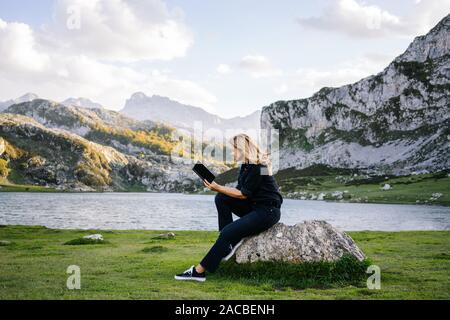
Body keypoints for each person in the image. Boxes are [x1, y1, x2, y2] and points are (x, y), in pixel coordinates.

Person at [175, 133, 283, 282]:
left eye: (234, 149)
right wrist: (218, 189)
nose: (232, 152)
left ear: (243, 149)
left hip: (267, 211)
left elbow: (243, 194)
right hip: (254, 207)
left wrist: (217, 186)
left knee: (227, 232)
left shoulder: (259, 166)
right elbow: (237, 192)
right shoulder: (246, 166)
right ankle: (227, 244)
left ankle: (199, 272)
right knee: (221, 198)